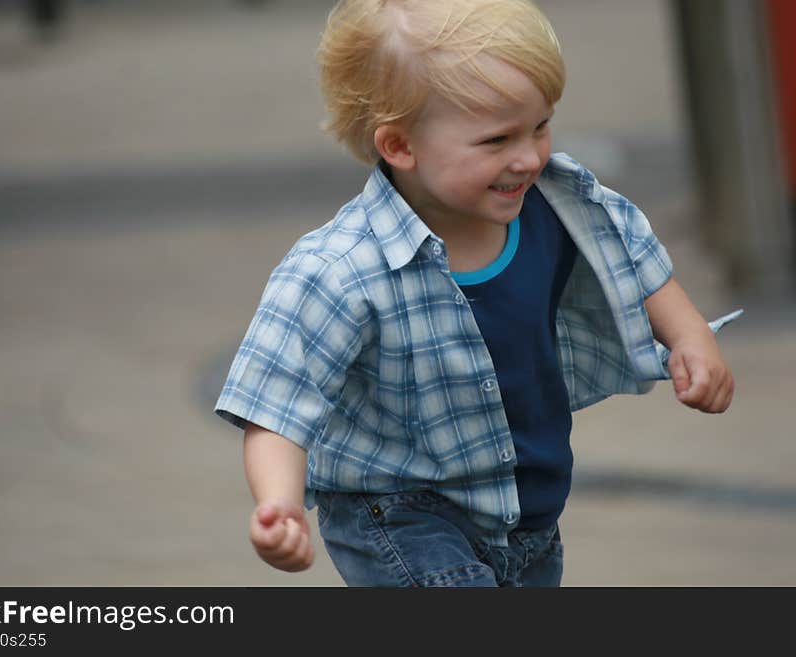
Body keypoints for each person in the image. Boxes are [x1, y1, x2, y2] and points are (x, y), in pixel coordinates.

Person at [214, 0, 739, 586]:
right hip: (399, 512)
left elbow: (633, 259)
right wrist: (279, 503)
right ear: (400, 146)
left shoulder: (559, 207)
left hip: (528, 513)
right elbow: (278, 399)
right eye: (496, 140)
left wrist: (690, 337)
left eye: (540, 126)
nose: (528, 157)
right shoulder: (339, 270)